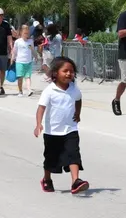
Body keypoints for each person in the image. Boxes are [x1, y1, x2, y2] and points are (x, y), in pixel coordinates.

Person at [34, 57, 89, 194]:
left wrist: (78, 113)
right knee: (51, 158)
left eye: (71, 71)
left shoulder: (74, 89)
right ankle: (47, 179)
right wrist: (38, 124)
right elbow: (41, 108)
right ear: (55, 73)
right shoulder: (50, 90)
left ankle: (76, 181)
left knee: (73, 153)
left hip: (70, 129)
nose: (69, 74)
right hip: (52, 132)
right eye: (65, 71)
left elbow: (78, 99)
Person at [11, 25, 35, 97]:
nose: (26, 35)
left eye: (27, 33)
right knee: (20, 77)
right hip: (19, 61)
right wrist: (12, 59)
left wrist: (36, 56)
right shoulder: (18, 42)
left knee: (28, 77)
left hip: (28, 62)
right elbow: (14, 51)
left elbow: (33, 50)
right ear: (21, 32)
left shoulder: (30, 41)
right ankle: (20, 91)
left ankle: (29, 90)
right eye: (25, 33)